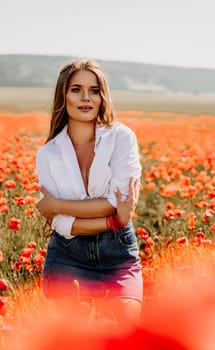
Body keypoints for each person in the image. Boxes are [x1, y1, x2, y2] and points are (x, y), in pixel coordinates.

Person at [36, 58, 143, 323]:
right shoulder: (48, 154)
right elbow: (61, 225)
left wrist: (57, 204)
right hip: (66, 256)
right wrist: (114, 219)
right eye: (76, 89)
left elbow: (112, 200)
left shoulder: (121, 138)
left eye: (94, 90)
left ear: (102, 96)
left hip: (118, 255)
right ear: (64, 95)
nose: (86, 98)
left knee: (126, 335)